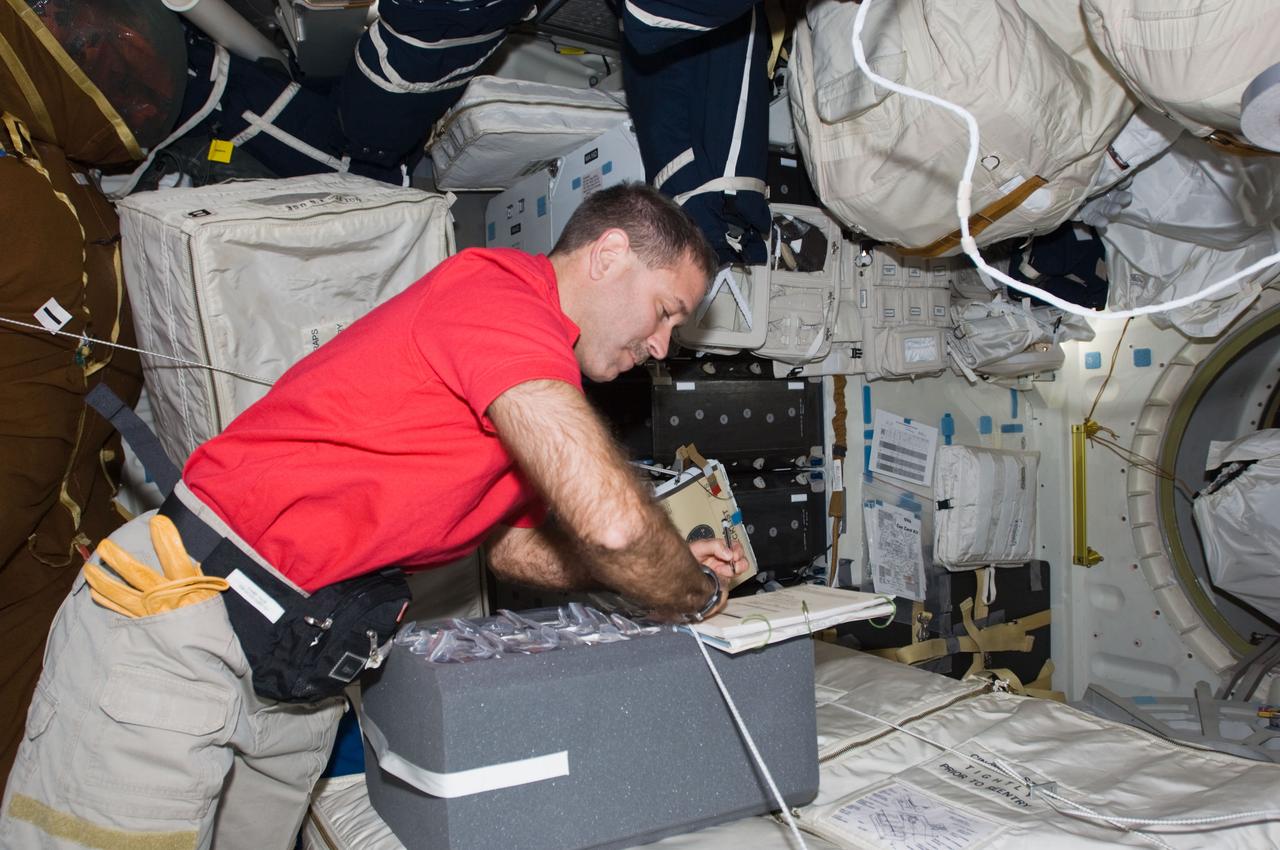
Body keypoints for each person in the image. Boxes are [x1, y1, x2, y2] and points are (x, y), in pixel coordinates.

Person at [0, 181, 747, 849]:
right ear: (610, 253)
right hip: (186, 621)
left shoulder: (527, 377)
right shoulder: (500, 299)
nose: (659, 346)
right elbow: (612, 523)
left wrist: (655, 571)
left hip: (300, 670)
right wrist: (689, 591)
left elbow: (517, 551)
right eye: (665, 312)